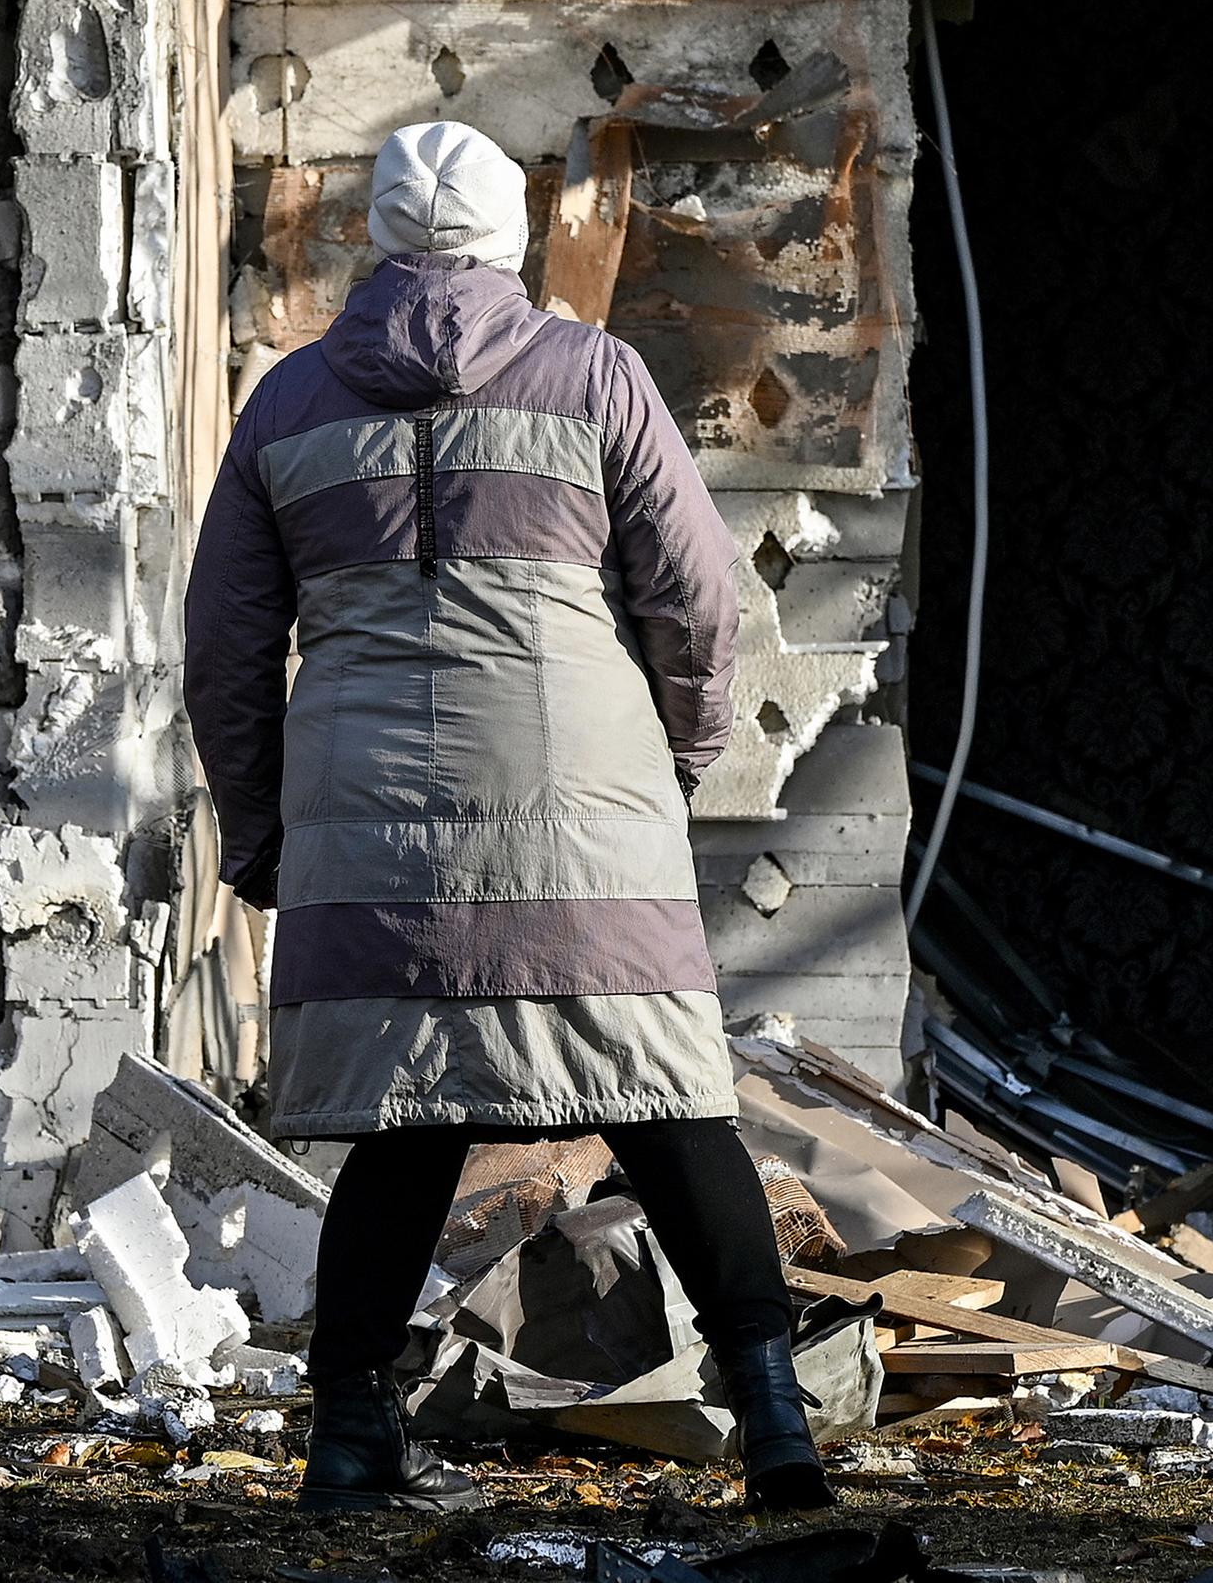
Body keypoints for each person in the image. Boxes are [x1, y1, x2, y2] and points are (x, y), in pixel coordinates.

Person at [183, 120, 826, 1513]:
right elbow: (697, 596)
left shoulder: (290, 405)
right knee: (664, 1101)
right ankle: (775, 1423)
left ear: (379, 238)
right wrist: (682, 753)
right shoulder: (595, 376)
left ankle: (351, 1436)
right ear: (507, 242)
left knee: (407, 1124)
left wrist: (260, 830)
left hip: (369, 814)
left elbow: (227, 649)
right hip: (579, 791)